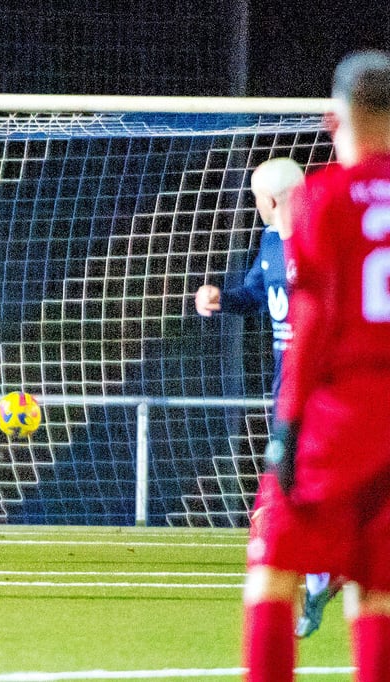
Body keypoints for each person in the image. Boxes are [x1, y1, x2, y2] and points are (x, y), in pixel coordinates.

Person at [243, 50, 390, 681]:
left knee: (272, 571)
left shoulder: (323, 200)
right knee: (378, 585)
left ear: (334, 120)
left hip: (339, 414)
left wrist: (286, 429)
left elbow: (310, 326)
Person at [195, 157, 342, 639]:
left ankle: (311, 585)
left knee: (279, 503)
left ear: (271, 200)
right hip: (288, 392)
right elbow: (259, 295)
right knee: (298, 495)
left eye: (257, 197)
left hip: (326, 393)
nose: (255, 205)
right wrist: (223, 299)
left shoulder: (324, 237)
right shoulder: (270, 243)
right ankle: (322, 576)